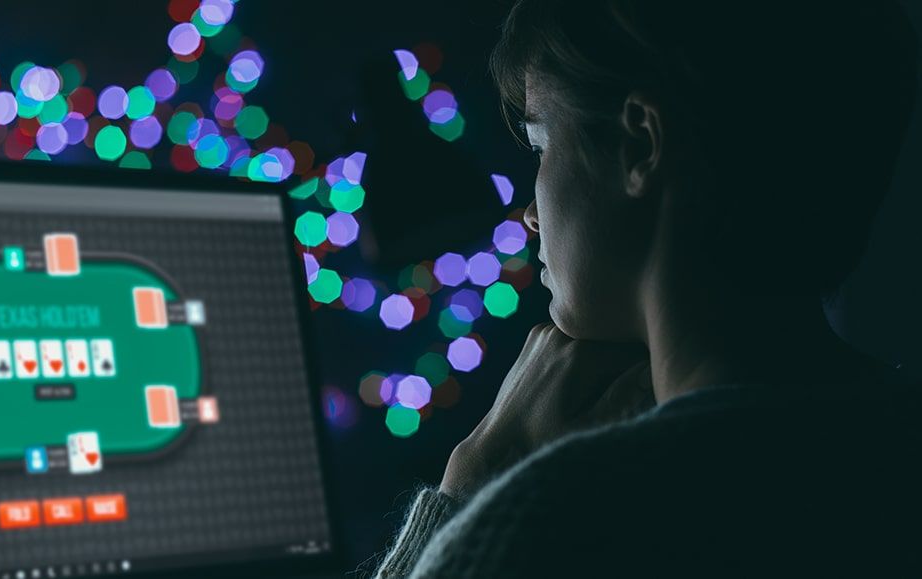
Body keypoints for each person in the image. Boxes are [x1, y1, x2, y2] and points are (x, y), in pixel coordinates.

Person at [368, 0, 921, 576]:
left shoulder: (551, 524)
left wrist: (469, 488)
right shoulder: (896, 448)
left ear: (640, 144)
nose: (529, 213)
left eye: (540, 146)